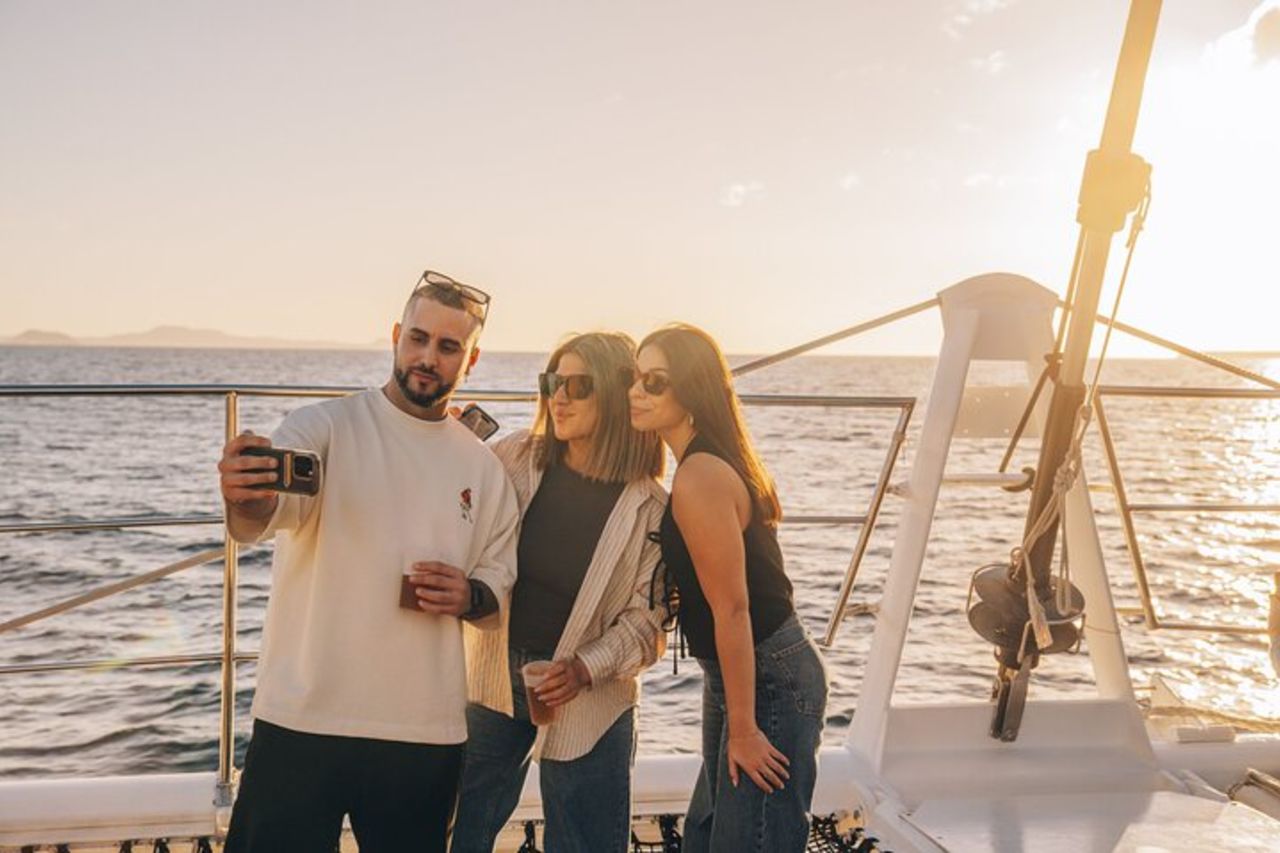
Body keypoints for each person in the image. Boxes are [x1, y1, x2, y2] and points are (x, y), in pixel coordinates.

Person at [217, 270, 520, 853]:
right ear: (395, 335)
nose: (427, 357)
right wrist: (246, 497)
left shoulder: (482, 469)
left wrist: (469, 596)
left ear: (471, 358)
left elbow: (498, 584)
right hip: (303, 717)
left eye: (448, 346)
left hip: (424, 729)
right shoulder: (323, 426)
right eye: (418, 338)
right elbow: (265, 516)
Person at [451, 331, 668, 853]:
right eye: (552, 381)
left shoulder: (651, 506)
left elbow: (648, 625)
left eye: (578, 384)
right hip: (494, 676)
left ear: (617, 394)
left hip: (591, 694)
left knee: (586, 843)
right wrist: (449, 446)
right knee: (462, 830)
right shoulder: (516, 458)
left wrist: (582, 669)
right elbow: (454, 511)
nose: (560, 396)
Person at [627, 324, 828, 853]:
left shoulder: (700, 475)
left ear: (690, 390)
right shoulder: (705, 460)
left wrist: (743, 730)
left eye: (654, 381)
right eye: (635, 377)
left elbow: (734, 609)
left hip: (766, 677)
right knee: (708, 836)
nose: (635, 391)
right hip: (741, 673)